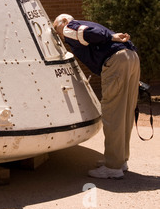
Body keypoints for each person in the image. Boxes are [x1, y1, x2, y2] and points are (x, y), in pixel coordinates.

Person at [53, 14, 140, 179]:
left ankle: (113, 167)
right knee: (125, 112)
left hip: (115, 61)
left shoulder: (70, 27)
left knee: (112, 114)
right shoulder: (86, 24)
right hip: (130, 57)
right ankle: (119, 160)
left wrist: (111, 36)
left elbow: (93, 33)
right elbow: (96, 32)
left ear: (63, 22)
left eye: (56, 29)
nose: (59, 35)